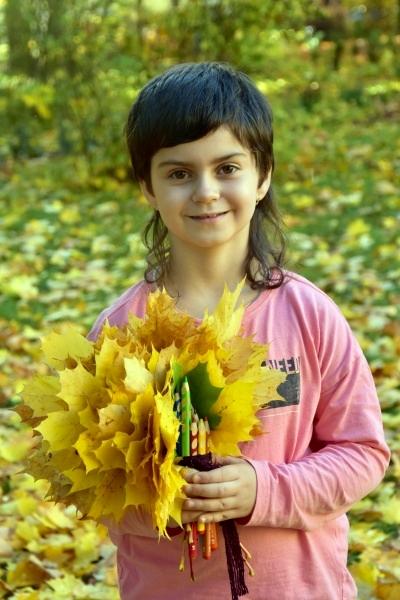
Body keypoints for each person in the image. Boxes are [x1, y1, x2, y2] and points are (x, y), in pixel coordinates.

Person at [88, 62, 390, 600]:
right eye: (179, 173)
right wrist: (159, 500)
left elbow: (362, 452)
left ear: (262, 175)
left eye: (227, 167)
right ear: (148, 187)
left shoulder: (309, 315)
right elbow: (93, 485)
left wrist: (263, 489)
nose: (206, 191)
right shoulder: (120, 332)